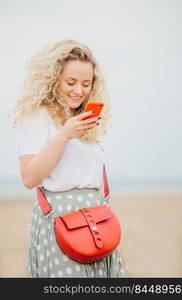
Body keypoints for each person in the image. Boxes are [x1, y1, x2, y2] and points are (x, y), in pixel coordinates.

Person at [13, 39, 124, 278]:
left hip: (97, 220)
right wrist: (64, 135)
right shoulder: (40, 116)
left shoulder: (83, 118)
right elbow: (29, 177)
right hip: (62, 222)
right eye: (70, 82)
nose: (79, 91)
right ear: (54, 80)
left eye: (86, 83)